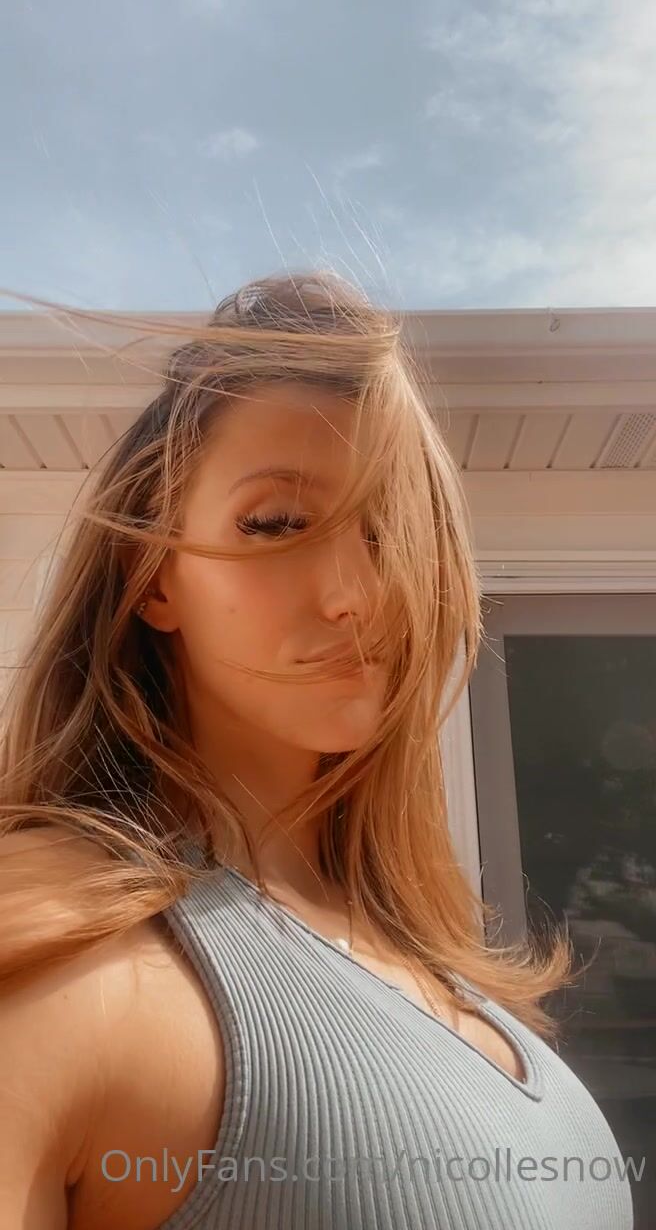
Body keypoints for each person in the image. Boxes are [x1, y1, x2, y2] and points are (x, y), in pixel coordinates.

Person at [0, 271, 634, 1229]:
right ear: (154, 577)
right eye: (279, 524)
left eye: (390, 532)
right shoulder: (59, 953)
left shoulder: (430, 956)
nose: (359, 594)